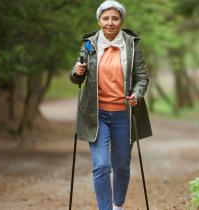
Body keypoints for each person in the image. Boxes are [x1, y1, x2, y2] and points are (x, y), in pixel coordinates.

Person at [69, 1, 152, 209]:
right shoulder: (89, 44)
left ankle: (117, 206)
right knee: (101, 166)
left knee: (122, 167)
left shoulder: (131, 44)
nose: (110, 23)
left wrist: (137, 94)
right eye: (106, 18)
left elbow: (142, 77)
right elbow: (76, 77)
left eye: (115, 18)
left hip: (124, 114)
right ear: (99, 20)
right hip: (97, 115)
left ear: (121, 20)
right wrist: (77, 72)